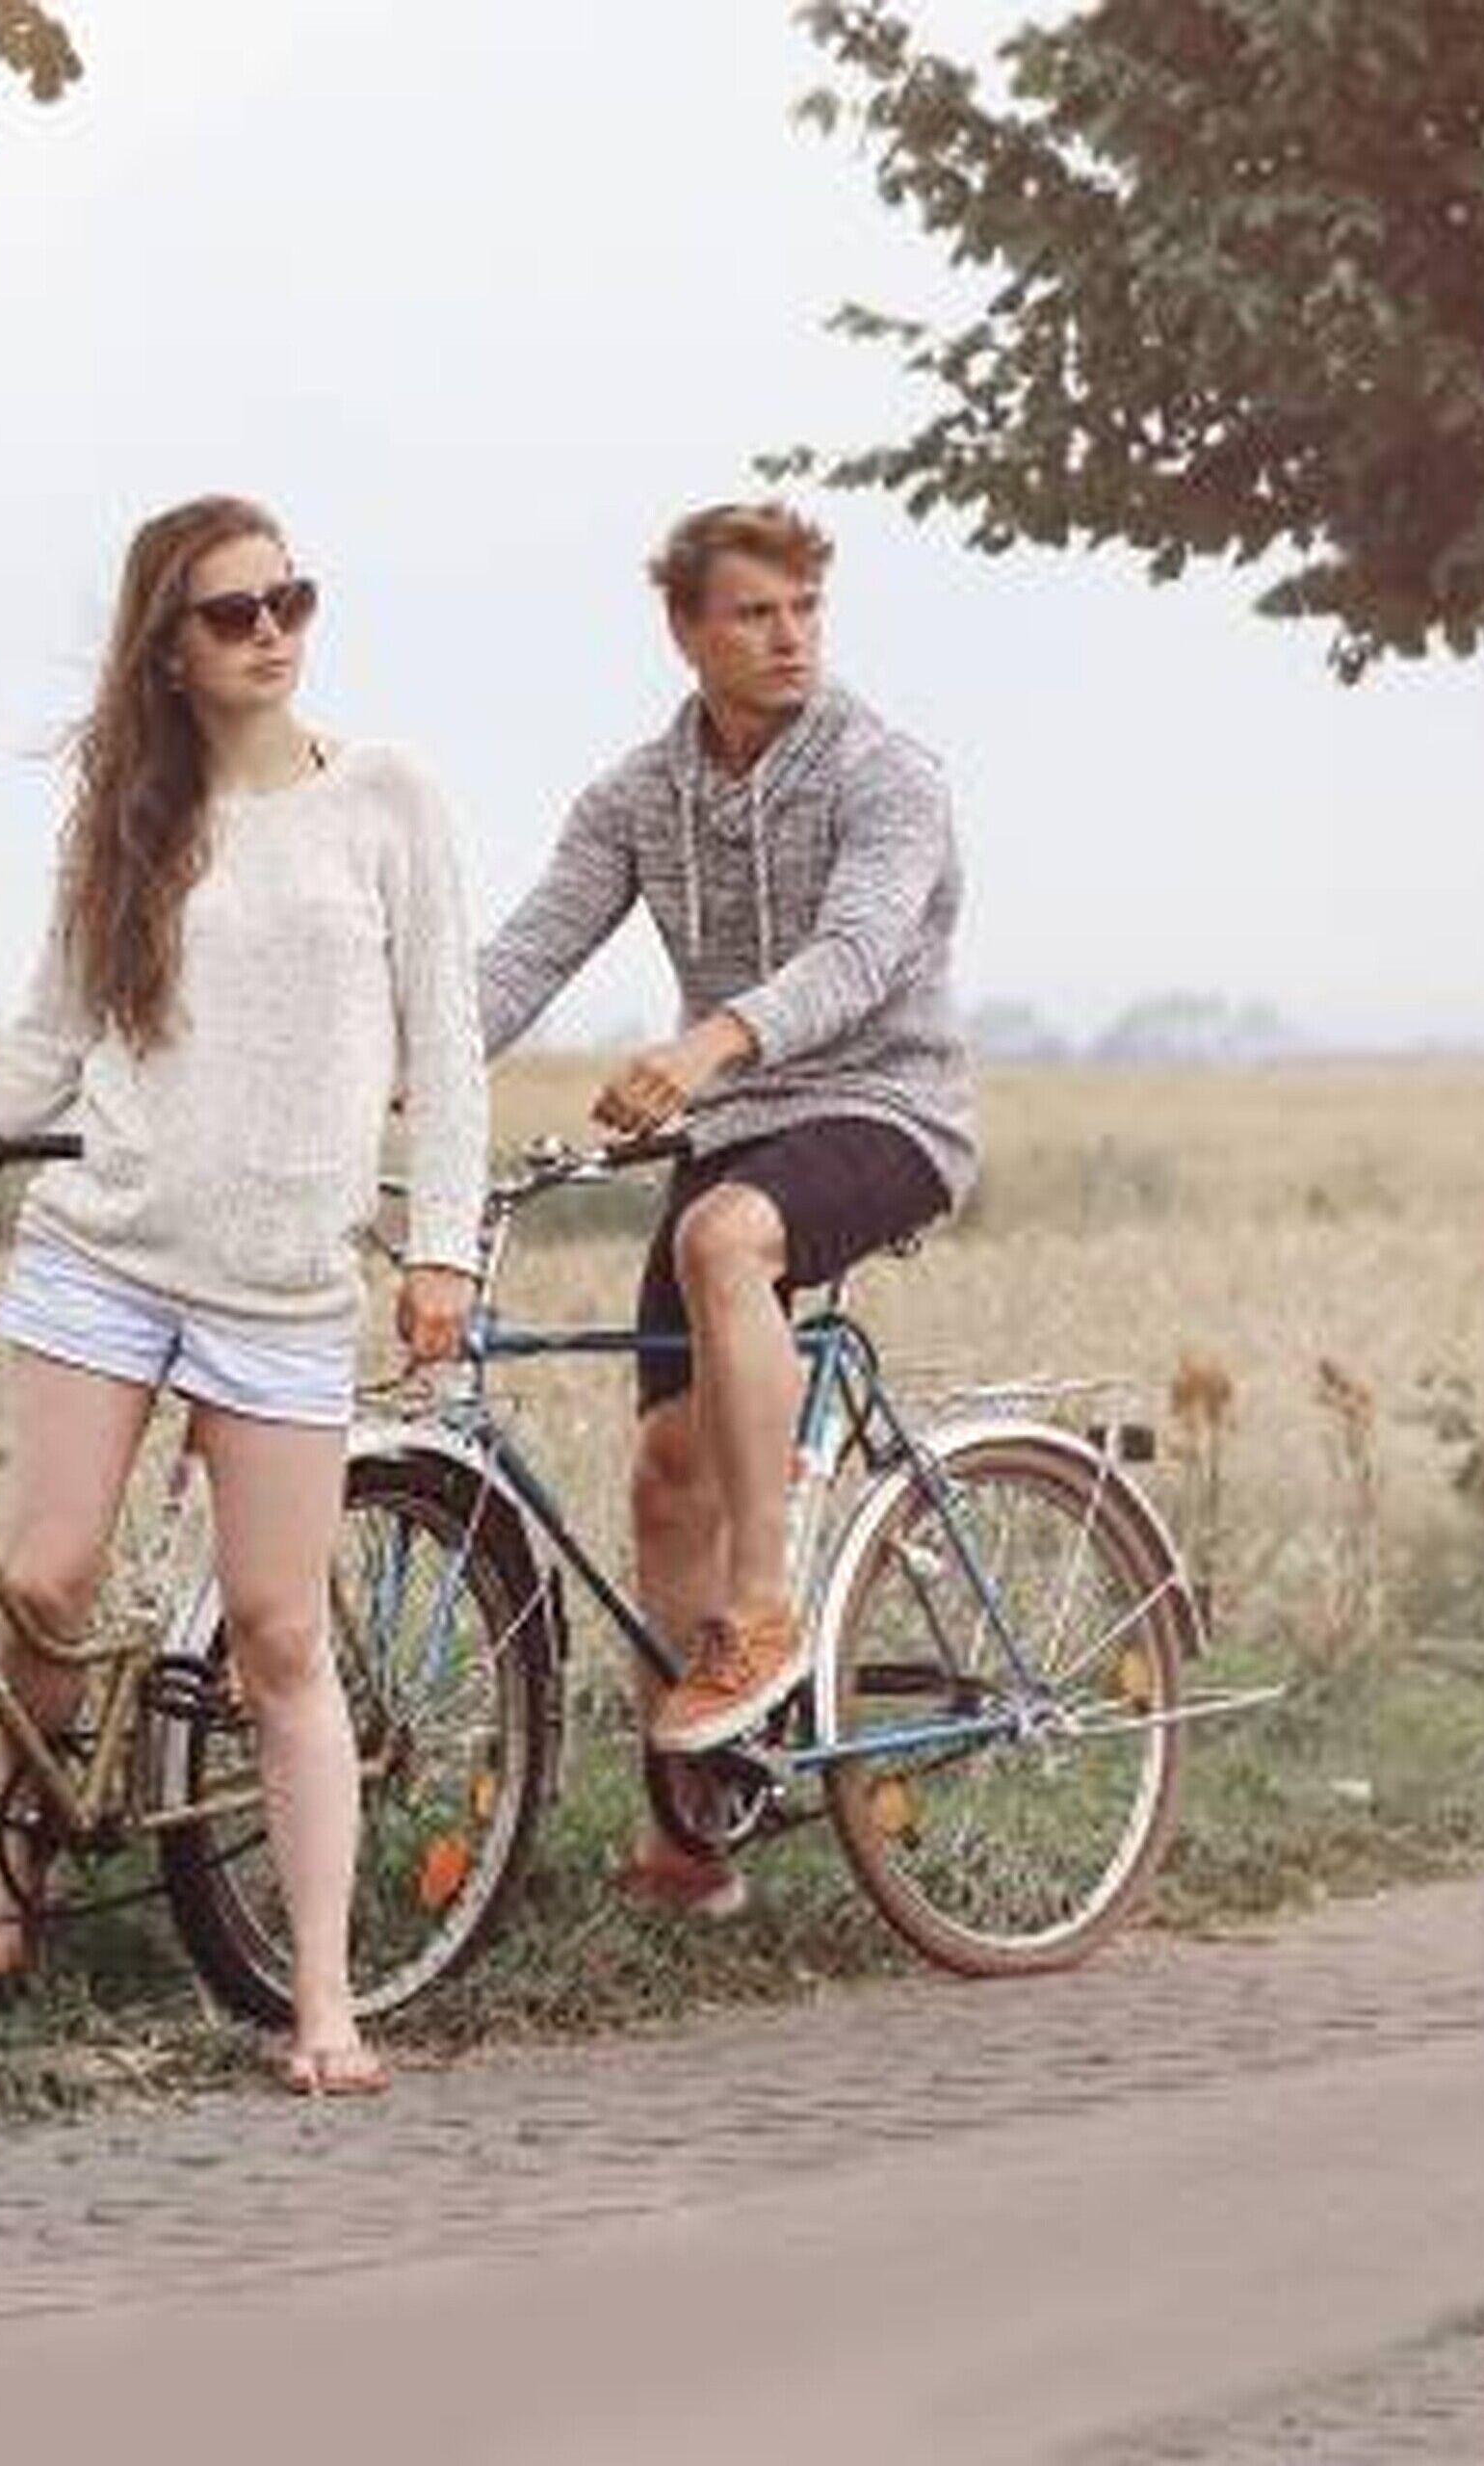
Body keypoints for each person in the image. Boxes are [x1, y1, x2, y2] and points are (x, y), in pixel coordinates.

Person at [0, 493, 485, 2095]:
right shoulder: (125, 815)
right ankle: (18, 1875)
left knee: (278, 1633)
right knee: (45, 1580)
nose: (272, 633)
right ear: (166, 647)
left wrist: (442, 1243)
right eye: (232, 612)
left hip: (283, 1285)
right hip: (105, 1253)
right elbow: (47, 1045)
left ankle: (321, 2001)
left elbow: (445, 1044)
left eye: (290, 600)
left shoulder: (388, 801)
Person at [473, 500, 977, 1915]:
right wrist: (403, 1068)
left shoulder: (887, 774)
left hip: (886, 1109)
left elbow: (861, 952)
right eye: (756, 613)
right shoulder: (639, 796)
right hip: (742, 1125)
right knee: (660, 1475)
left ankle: (762, 1614)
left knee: (722, 1235)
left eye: (806, 610)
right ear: (687, 630)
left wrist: (706, 1048)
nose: (789, 637)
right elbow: (526, 955)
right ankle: (689, 1847)